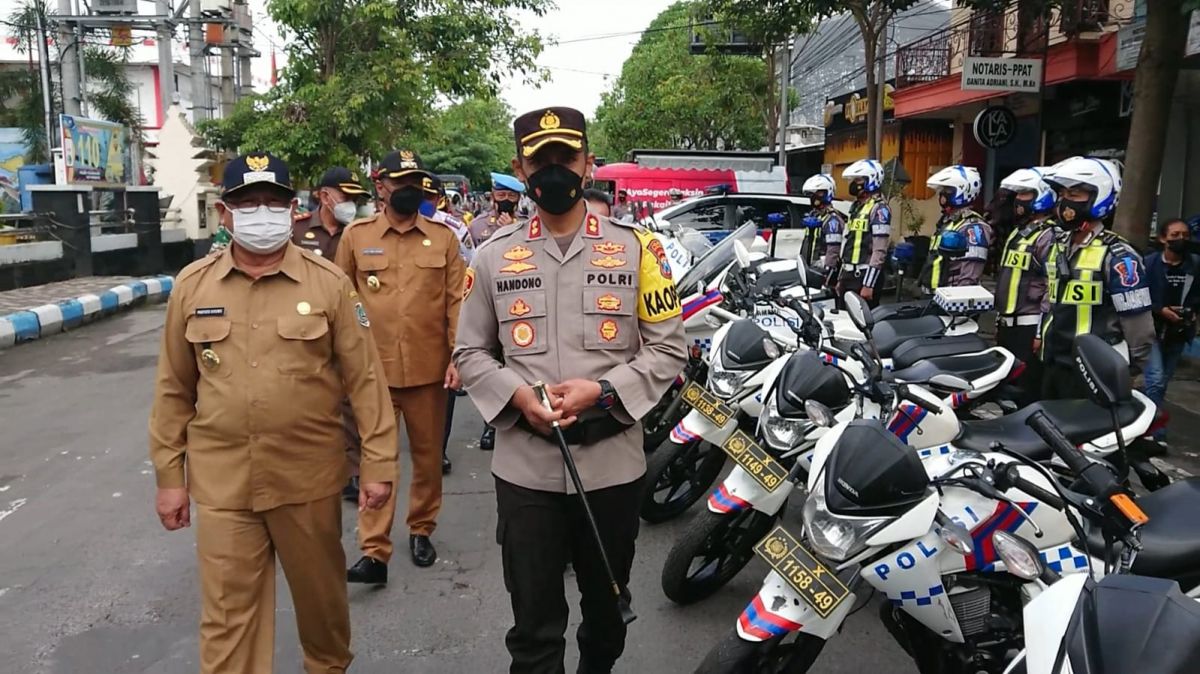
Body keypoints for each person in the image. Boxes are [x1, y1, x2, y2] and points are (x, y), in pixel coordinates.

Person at [453, 106, 687, 674]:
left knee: (606, 619)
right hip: (525, 473)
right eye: (541, 160)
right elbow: (469, 352)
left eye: (566, 157)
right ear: (520, 168)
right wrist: (516, 396)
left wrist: (603, 392)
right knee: (533, 629)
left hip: (611, 469)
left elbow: (669, 348)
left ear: (587, 163)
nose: (555, 169)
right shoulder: (491, 258)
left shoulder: (639, 251)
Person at [149, 152, 398, 674]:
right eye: (247, 203)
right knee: (226, 621)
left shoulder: (327, 283)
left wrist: (378, 463)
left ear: (293, 211)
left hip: (306, 478)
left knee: (323, 609)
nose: (261, 213)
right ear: (225, 213)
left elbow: (366, 381)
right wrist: (170, 477)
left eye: (272, 202)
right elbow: (175, 389)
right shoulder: (193, 287)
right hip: (223, 484)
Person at [335, 149, 465, 577]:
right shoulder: (356, 237)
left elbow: (454, 304)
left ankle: (421, 528)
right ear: (381, 186)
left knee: (428, 459)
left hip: (429, 371)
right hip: (373, 372)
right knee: (378, 458)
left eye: (416, 183)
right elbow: (341, 300)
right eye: (401, 183)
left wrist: (458, 356)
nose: (410, 190)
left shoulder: (443, 238)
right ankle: (374, 549)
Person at [1040, 156, 1154, 400]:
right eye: (1063, 194)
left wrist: (1132, 372)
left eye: (1076, 194)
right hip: (1054, 362)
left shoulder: (1119, 256)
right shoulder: (1058, 245)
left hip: (1093, 369)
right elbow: (1050, 300)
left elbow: (1139, 325)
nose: (1065, 201)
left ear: (1099, 196)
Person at [420, 174, 475, 475]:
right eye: (419, 196)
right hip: (399, 324)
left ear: (439, 198)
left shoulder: (453, 229)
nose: (423, 203)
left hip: (442, 319)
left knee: (445, 389)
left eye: (430, 197)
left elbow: (469, 267)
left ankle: (437, 449)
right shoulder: (387, 227)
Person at [994, 168, 1058, 403]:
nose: (1019, 201)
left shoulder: (1049, 235)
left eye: (1026, 195)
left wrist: (1041, 332)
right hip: (1008, 322)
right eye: (1018, 195)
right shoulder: (1019, 233)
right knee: (1006, 387)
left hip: (1029, 325)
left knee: (1026, 390)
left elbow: (1051, 288)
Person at [1143, 218, 1200, 443]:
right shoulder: (1149, 264)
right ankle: (1153, 430)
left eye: (1185, 235)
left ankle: (1145, 417)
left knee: (1161, 382)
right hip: (1152, 330)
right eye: (1175, 235)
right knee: (1155, 379)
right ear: (1162, 238)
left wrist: (1191, 311)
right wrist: (1161, 310)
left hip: (1178, 332)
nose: (1181, 240)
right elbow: (1139, 295)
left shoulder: (1194, 265)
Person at [919, 165, 991, 294]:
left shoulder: (973, 227)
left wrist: (959, 301)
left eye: (948, 190)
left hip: (951, 299)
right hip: (934, 295)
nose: (942, 194)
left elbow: (971, 273)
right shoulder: (948, 222)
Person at [837, 159, 890, 305]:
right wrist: (841, 277)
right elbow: (847, 243)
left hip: (864, 275)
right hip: (849, 274)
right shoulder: (856, 207)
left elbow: (879, 250)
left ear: (871, 180)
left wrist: (868, 285)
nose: (853, 184)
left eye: (858, 180)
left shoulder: (879, 209)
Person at [292, 166, 369, 259]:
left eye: (354, 199)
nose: (351, 204)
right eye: (345, 198)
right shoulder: (297, 227)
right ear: (325, 197)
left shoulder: (357, 233)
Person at [799, 173, 843, 282]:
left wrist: (827, 275)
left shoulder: (832, 220)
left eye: (817, 193)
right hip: (808, 267)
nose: (813, 197)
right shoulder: (814, 215)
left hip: (821, 270)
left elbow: (833, 250)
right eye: (811, 194)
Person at [470, 172, 526, 247]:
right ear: (493, 197)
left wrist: (511, 229)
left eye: (511, 196)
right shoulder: (477, 225)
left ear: (518, 199)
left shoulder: (525, 224)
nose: (506, 199)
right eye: (501, 195)